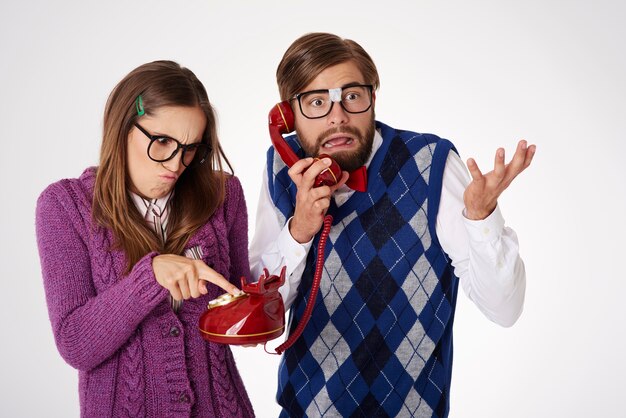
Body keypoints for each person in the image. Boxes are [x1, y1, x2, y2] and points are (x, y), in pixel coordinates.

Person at [249, 33, 535, 418]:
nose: (338, 116)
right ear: (287, 117)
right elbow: (258, 315)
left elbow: (506, 309)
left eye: (351, 96)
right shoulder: (282, 171)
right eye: (317, 102)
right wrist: (299, 231)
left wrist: (481, 220)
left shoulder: (430, 163)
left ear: (372, 99)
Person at [36, 61, 255, 417]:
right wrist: (149, 277)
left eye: (190, 148)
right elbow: (75, 343)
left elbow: (242, 301)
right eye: (162, 141)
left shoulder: (222, 194)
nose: (175, 163)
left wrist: (299, 233)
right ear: (122, 127)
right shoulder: (65, 206)